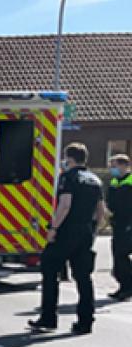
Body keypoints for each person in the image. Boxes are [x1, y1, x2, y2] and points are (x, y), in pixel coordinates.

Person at [29, 143, 107, 335]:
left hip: (66, 231)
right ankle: (85, 321)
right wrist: (93, 230)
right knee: (83, 277)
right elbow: (100, 211)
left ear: (69, 159)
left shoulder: (68, 177)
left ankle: (48, 318)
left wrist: (53, 228)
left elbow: (65, 205)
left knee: (49, 270)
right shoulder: (95, 180)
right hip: (85, 232)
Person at [106, 153, 132, 300]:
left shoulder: (130, 181)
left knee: (122, 254)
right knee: (117, 254)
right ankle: (123, 286)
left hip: (128, 223)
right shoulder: (115, 181)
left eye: (114, 166)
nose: (112, 169)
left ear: (124, 165)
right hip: (118, 222)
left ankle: (128, 287)